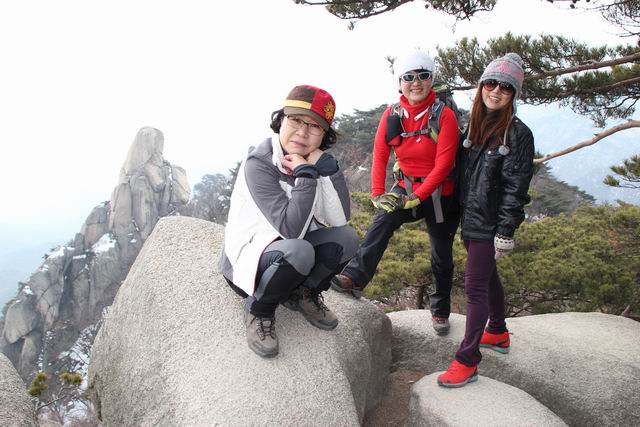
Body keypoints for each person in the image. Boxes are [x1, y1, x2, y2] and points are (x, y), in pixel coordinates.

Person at [219, 84, 358, 358]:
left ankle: (302, 294)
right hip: (252, 262)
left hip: (291, 252)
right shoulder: (259, 163)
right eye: (295, 120)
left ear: (324, 135)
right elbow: (290, 229)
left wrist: (329, 171)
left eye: (314, 126)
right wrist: (306, 175)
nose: (302, 133)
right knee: (299, 250)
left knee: (347, 239)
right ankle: (259, 309)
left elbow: (340, 219)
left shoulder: (313, 161)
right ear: (281, 120)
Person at [331, 48, 460, 334]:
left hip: (441, 194)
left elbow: (443, 165)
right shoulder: (392, 114)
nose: (416, 82)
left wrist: (417, 197)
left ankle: (440, 310)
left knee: (441, 252)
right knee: (382, 222)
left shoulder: (445, 116)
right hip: (407, 186)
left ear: (431, 79)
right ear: (399, 82)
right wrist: (378, 195)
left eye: (423, 75)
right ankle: (355, 277)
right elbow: (380, 155)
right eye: (408, 77)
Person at [437, 53, 535, 387]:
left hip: (489, 223)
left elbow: (516, 188)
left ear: (514, 94)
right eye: (490, 83)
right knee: (488, 277)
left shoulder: (517, 134)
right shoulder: (475, 126)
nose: (496, 91)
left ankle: (467, 360)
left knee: (475, 287)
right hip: (470, 217)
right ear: (481, 87)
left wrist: (505, 230)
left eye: (505, 87)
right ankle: (498, 331)